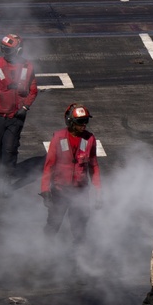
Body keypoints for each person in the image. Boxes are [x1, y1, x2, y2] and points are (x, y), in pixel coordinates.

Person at [0, 33, 38, 185]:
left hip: (15, 117)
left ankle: (6, 180)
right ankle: (4, 166)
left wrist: (25, 107)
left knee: (9, 149)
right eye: (3, 49)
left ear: (18, 50)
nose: (5, 53)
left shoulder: (27, 68)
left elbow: (33, 91)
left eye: (8, 50)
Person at [40, 103, 101, 242]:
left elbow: (94, 167)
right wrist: (45, 190)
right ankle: (45, 249)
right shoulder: (59, 138)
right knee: (53, 223)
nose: (84, 125)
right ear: (71, 122)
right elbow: (49, 165)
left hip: (80, 192)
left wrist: (98, 191)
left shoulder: (89, 139)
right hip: (60, 191)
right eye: (80, 122)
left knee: (80, 226)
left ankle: (79, 251)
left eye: (86, 121)